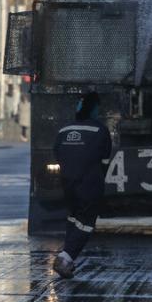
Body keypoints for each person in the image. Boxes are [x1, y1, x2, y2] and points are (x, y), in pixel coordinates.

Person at [51, 92, 112, 279]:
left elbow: (57, 154)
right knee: (86, 223)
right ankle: (65, 257)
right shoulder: (100, 130)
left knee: (73, 217)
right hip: (89, 183)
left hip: (68, 183)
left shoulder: (64, 130)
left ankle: (67, 256)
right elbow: (105, 161)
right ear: (94, 109)